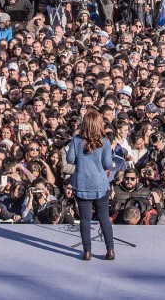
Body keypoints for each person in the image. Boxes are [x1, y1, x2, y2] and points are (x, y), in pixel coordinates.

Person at [65, 109, 115, 261]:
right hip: (100, 184)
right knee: (104, 218)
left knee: (85, 219)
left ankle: (87, 252)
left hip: (82, 183)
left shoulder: (76, 140)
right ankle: (110, 250)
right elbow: (107, 164)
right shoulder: (105, 142)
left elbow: (70, 159)